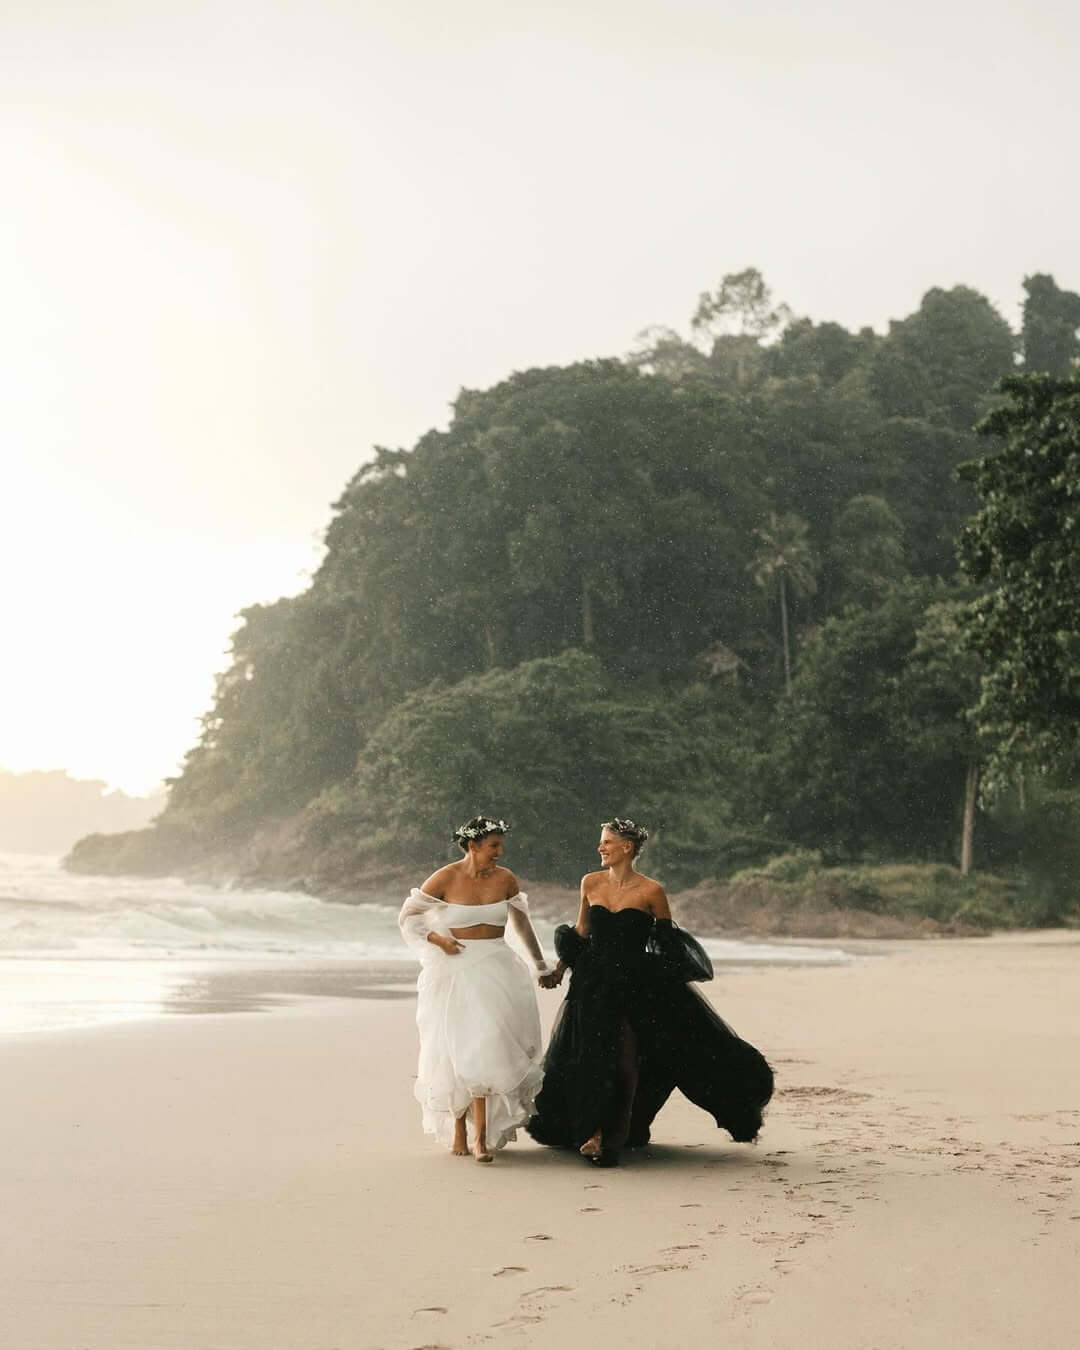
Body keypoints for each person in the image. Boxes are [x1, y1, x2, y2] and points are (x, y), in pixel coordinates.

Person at [527, 817, 774, 1167]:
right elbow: (581, 932)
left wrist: (666, 986)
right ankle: (591, 1133)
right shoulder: (590, 882)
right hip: (593, 984)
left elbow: (667, 944)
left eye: (607, 842)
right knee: (589, 1058)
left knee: (626, 1062)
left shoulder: (652, 891)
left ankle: (614, 1137)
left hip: (634, 986)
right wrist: (559, 969)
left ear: (626, 847)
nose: (600, 847)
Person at [399, 816, 552, 1162]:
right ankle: (459, 1128)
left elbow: (522, 925)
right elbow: (409, 918)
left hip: (498, 971)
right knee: (455, 1049)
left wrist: (541, 966)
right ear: (472, 846)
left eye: (500, 846)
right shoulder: (445, 877)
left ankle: (481, 1137)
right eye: (493, 846)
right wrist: (439, 939)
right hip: (456, 971)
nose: (499, 852)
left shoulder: (506, 879)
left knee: (489, 1045)